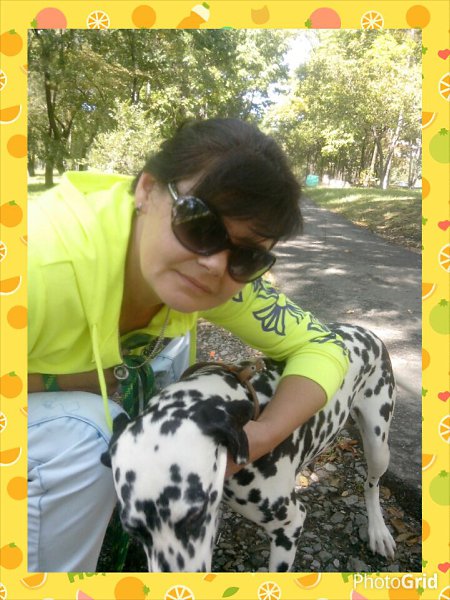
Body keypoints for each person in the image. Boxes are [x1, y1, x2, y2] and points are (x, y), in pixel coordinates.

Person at [27, 118, 349, 572]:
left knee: (168, 356)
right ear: (146, 189)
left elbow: (324, 347)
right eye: (200, 224)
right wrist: (64, 382)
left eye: (248, 254)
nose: (215, 264)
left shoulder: (219, 277)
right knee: (86, 430)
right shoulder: (35, 263)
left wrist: (259, 437)